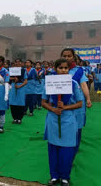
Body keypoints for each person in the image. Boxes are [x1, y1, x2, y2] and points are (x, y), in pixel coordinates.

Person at [42, 58, 83, 186]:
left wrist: (65, 107)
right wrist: (53, 109)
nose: (63, 70)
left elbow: (80, 103)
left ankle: (65, 177)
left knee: (67, 149)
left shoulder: (73, 83)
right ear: (55, 69)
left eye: (66, 68)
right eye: (60, 68)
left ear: (69, 69)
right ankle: (54, 176)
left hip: (68, 119)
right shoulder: (49, 83)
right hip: (53, 119)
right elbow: (43, 102)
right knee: (53, 148)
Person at [61, 48, 92, 153]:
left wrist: (88, 99)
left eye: (69, 56)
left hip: (77, 103)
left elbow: (83, 85)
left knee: (77, 128)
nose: (66, 58)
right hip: (62, 104)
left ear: (73, 57)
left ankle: (73, 151)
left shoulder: (79, 71)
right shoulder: (57, 70)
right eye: (64, 56)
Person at [9, 59, 28, 124]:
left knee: (20, 102)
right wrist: (13, 79)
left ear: (21, 63)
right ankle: (14, 118)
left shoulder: (23, 70)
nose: (17, 63)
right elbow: (7, 77)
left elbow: (26, 81)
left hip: (21, 86)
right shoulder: (11, 70)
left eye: (19, 62)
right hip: (13, 86)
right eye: (16, 62)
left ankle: (19, 118)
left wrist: (19, 86)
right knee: (13, 102)